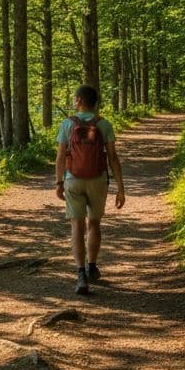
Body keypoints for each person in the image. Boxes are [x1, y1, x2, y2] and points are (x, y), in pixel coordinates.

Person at [54, 84, 125, 295]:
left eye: (75, 98)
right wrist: (120, 188)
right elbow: (113, 158)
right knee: (94, 223)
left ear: (79, 100)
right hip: (98, 180)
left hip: (73, 180)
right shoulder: (104, 124)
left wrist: (59, 182)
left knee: (76, 225)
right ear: (95, 103)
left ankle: (80, 274)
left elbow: (60, 156)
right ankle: (92, 267)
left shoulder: (67, 124)